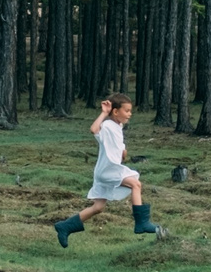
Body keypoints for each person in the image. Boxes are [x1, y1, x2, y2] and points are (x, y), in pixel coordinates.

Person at [57, 95, 157, 245]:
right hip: (108, 171)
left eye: (130, 111)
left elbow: (117, 146)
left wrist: (123, 152)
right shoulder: (108, 125)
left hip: (105, 171)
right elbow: (94, 129)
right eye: (127, 111)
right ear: (116, 112)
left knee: (98, 207)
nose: (130, 114)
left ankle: (65, 226)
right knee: (136, 184)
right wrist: (104, 113)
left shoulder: (118, 127)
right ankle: (142, 223)